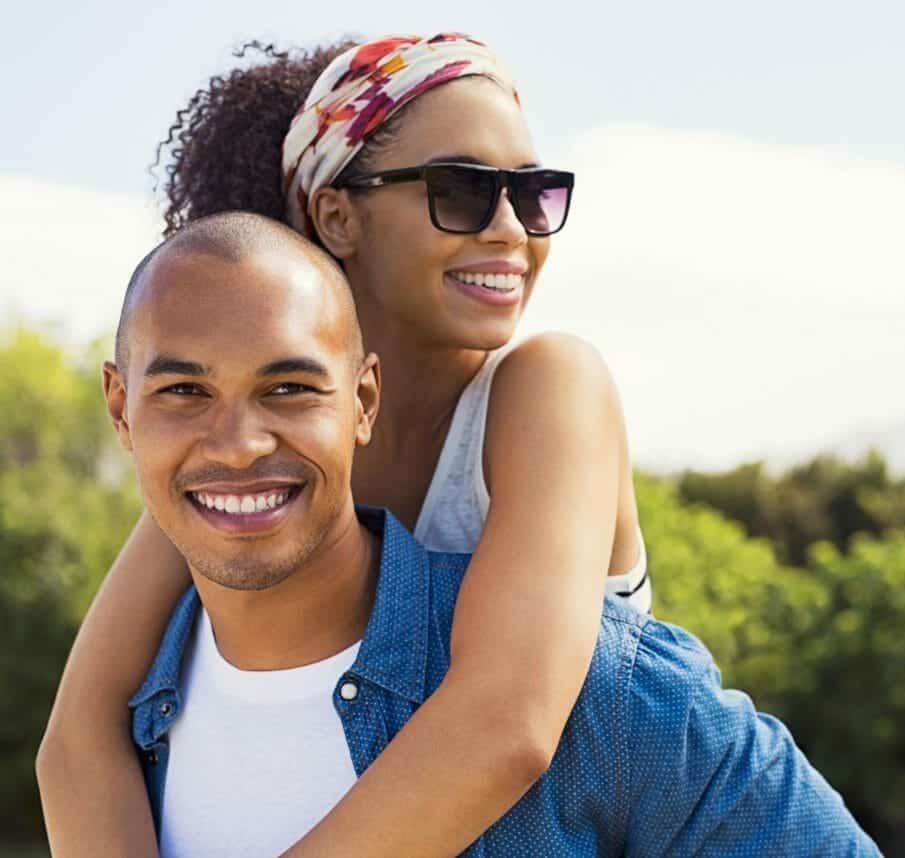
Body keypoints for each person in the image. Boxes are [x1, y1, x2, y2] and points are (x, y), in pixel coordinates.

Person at [34, 32, 777, 857]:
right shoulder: (248, 451)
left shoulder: (547, 389)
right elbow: (77, 738)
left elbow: (508, 724)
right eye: (461, 190)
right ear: (335, 214)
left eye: (533, 195)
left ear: (367, 398)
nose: (508, 229)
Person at [111, 210, 877, 856]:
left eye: (289, 388)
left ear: (364, 400)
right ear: (120, 410)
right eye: (183, 391)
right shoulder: (122, 733)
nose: (239, 443)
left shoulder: (613, 696)